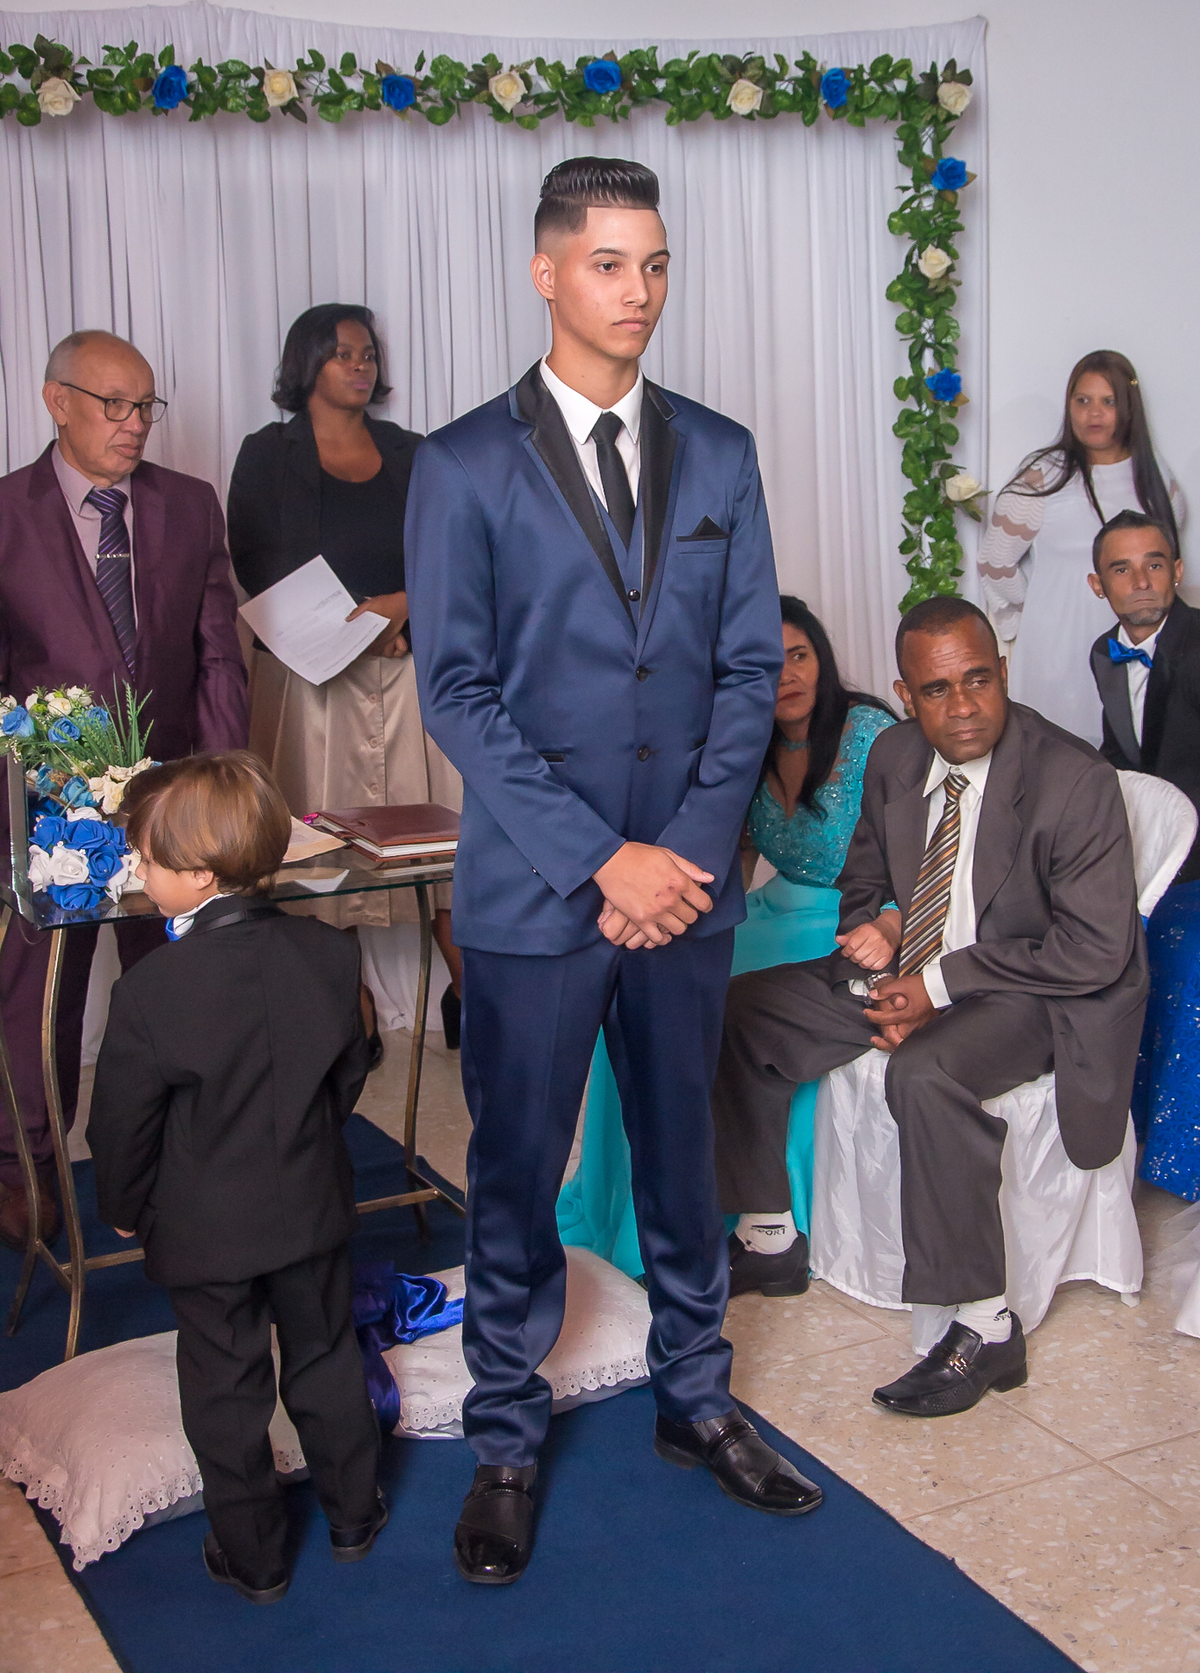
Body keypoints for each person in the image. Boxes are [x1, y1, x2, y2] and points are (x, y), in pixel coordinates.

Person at [407, 156, 823, 1587]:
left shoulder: (722, 451)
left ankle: (697, 1397)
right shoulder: (462, 462)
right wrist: (604, 860)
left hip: (685, 890)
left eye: (654, 263)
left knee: (682, 1155)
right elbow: (457, 693)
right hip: (539, 891)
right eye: (607, 263)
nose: (638, 290)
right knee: (516, 1169)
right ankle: (507, 1438)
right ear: (546, 273)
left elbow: (750, 666)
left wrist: (686, 855)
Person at [711, 596, 1147, 1416]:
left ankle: (986, 1326)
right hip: (911, 970)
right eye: (938, 689)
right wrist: (881, 921)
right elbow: (865, 876)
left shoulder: (1072, 778)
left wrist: (938, 987)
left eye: (979, 679)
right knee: (742, 1009)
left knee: (923, 1070)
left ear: (1003, 672)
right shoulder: (896, 755)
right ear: (906, 696)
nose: (965, 705)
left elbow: (1094, 950)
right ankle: (768, 1236)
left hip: (1031, 991)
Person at [86, 752, 385, 1605]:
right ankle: (354, 1514)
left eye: (147, 859)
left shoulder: (151, 990)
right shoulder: (329, 955)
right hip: (312, 1207)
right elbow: (348, 1073)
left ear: (201, 874)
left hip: (205, 1228)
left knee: (225, 1383)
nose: (138, 872)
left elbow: (122, 1125)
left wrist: (123, 1206)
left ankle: (254, 1556)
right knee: (326, 1354)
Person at [557, 595, 894, 1292]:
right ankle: (641, 1210)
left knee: (724, 1010)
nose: (787, 675)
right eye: (768, 664)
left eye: (799, 655)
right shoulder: (743, 743)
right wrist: (700, 925)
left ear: (822, 658)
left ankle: (752, 1214)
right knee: (649, 985)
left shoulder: (869, 732)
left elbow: (911, 850)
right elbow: (733, 855)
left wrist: (891, 922)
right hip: (773, 907)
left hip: (851, 917)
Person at [0, 330, 248, 1254]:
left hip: (172, 802)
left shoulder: (189, 504)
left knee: (176, 989)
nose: (134, 422)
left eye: (145, 404)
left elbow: (219, 655)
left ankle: (167, 1163)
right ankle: (27, 1170)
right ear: (56, 400)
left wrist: (220, 796)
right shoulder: (4, 513)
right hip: (48, 813)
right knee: (40, 1000)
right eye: (113, 403)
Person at [226, 304, 463, 1054]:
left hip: (412, 667)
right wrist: (350, 632)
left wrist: (401, 610)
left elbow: (453, 552)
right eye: (342, 354)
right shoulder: (268, 454)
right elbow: (256, 561)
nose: (360, 366)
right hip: (309, 681)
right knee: (317, 847)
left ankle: (474, 992)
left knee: (442, 838)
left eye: (367, 354)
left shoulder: (413, 452)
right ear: (306, 364)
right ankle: (347, 1006)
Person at [979, 350, 1184, 746]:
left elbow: (1168, 562)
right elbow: (995, 561)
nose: (1094, 413)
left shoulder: (1154, 476)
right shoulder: (1043, 475)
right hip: (1057, 654)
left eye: (1108, 401)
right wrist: (1033, 616)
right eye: (1083, 400)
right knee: (1055, 758)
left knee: (1133, 757)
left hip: (1135, 651)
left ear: (1128, 407)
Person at [1088, 510, 1200, 1199]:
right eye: (1122, 568)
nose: (1141, 580)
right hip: (1153, 858)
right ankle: (1112, 1133)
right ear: (1098, 584)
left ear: (1177, 572)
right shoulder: (1104, 653)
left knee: (1180, 957)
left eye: (1154, 563)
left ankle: (1176, 1155)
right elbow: (1121, 754)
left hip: (1196, 863)